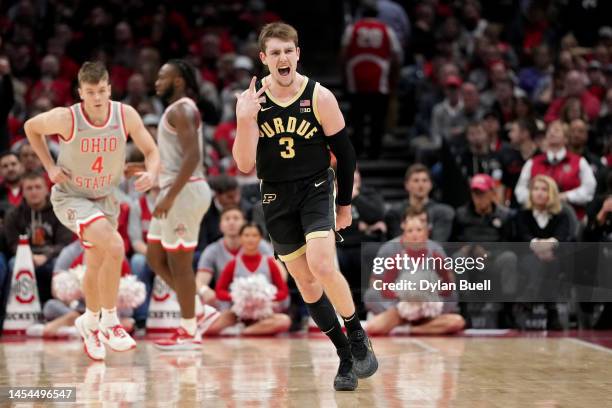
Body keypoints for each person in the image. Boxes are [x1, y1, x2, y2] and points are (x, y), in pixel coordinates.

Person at [233, 22, 377, 391]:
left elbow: (345, 156)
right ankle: (345, 356)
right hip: (275, 195)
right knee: (306, 283)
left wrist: (344, 205)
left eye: (288, 51)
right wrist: (244, 120)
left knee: (323, 263)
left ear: (297, 54)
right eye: (275, 52)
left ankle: (357, 333)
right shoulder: (252, 101)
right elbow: (245, 165)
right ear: (264, 59)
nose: (283, 58)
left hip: (315, 186)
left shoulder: (319, 96)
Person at [24, 61, 160, 361]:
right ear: (80, 92)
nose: (97, 97)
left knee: (97, 260)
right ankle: (110, 322)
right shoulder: (66, 118)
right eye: (90, 92)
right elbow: (30, 128)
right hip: (72, 197)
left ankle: (89, 321)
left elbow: (151, 151)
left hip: (105, 197)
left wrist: (151, 173)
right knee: (115, 245)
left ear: (109, 88)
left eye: (101, 90)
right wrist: (49, 166)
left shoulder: (124, 115)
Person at [139, 59, 214, 351]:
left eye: (162, 77)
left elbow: (193, 157)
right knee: (154, 258)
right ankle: (197, 309)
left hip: (183, 193)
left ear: (179, 81)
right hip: (173, 189)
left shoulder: (182, 108)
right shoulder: (177, 110)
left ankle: (189, 329)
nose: (156, 82)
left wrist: (170, 196)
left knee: (180, 266)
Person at [365, 210, 465, 335]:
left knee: (457, 322)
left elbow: (449, 286)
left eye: (419, 230)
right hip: (403, 307)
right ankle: (421, 327)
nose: (415, 235)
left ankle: (410, 330)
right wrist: (404, 297)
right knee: (373, 327)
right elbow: (384, 287)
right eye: (410, 231)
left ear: (426, 233)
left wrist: (430, 296)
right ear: (404, 235)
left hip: (429, 309)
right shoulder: (396, 258)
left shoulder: (436, 255)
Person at [206, 222, 291, 336]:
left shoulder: (270, 263)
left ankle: (244, 331)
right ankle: (252, 329)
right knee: (216, 323)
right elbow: (219, 291)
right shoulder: (233, 264)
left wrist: (263, 298)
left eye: (254, 235)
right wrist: (239, 298)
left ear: (260, 238)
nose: (250, 239)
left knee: (284, 321)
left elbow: (283, 292)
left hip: (264, 315)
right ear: (240, 238)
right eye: (246, 235)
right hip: (237, 314)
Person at [196, 206, 274, 308]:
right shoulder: (212, 250)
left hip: (258, 301)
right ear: (220, 226)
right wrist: (204, 290)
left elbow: (280, 274)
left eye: (236, 218)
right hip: (227, 304)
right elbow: (200, 281)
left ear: (244, 224)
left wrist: (266, 292)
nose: (231, 222)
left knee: (283, 319)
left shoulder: (261, 245)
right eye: (227, 219)